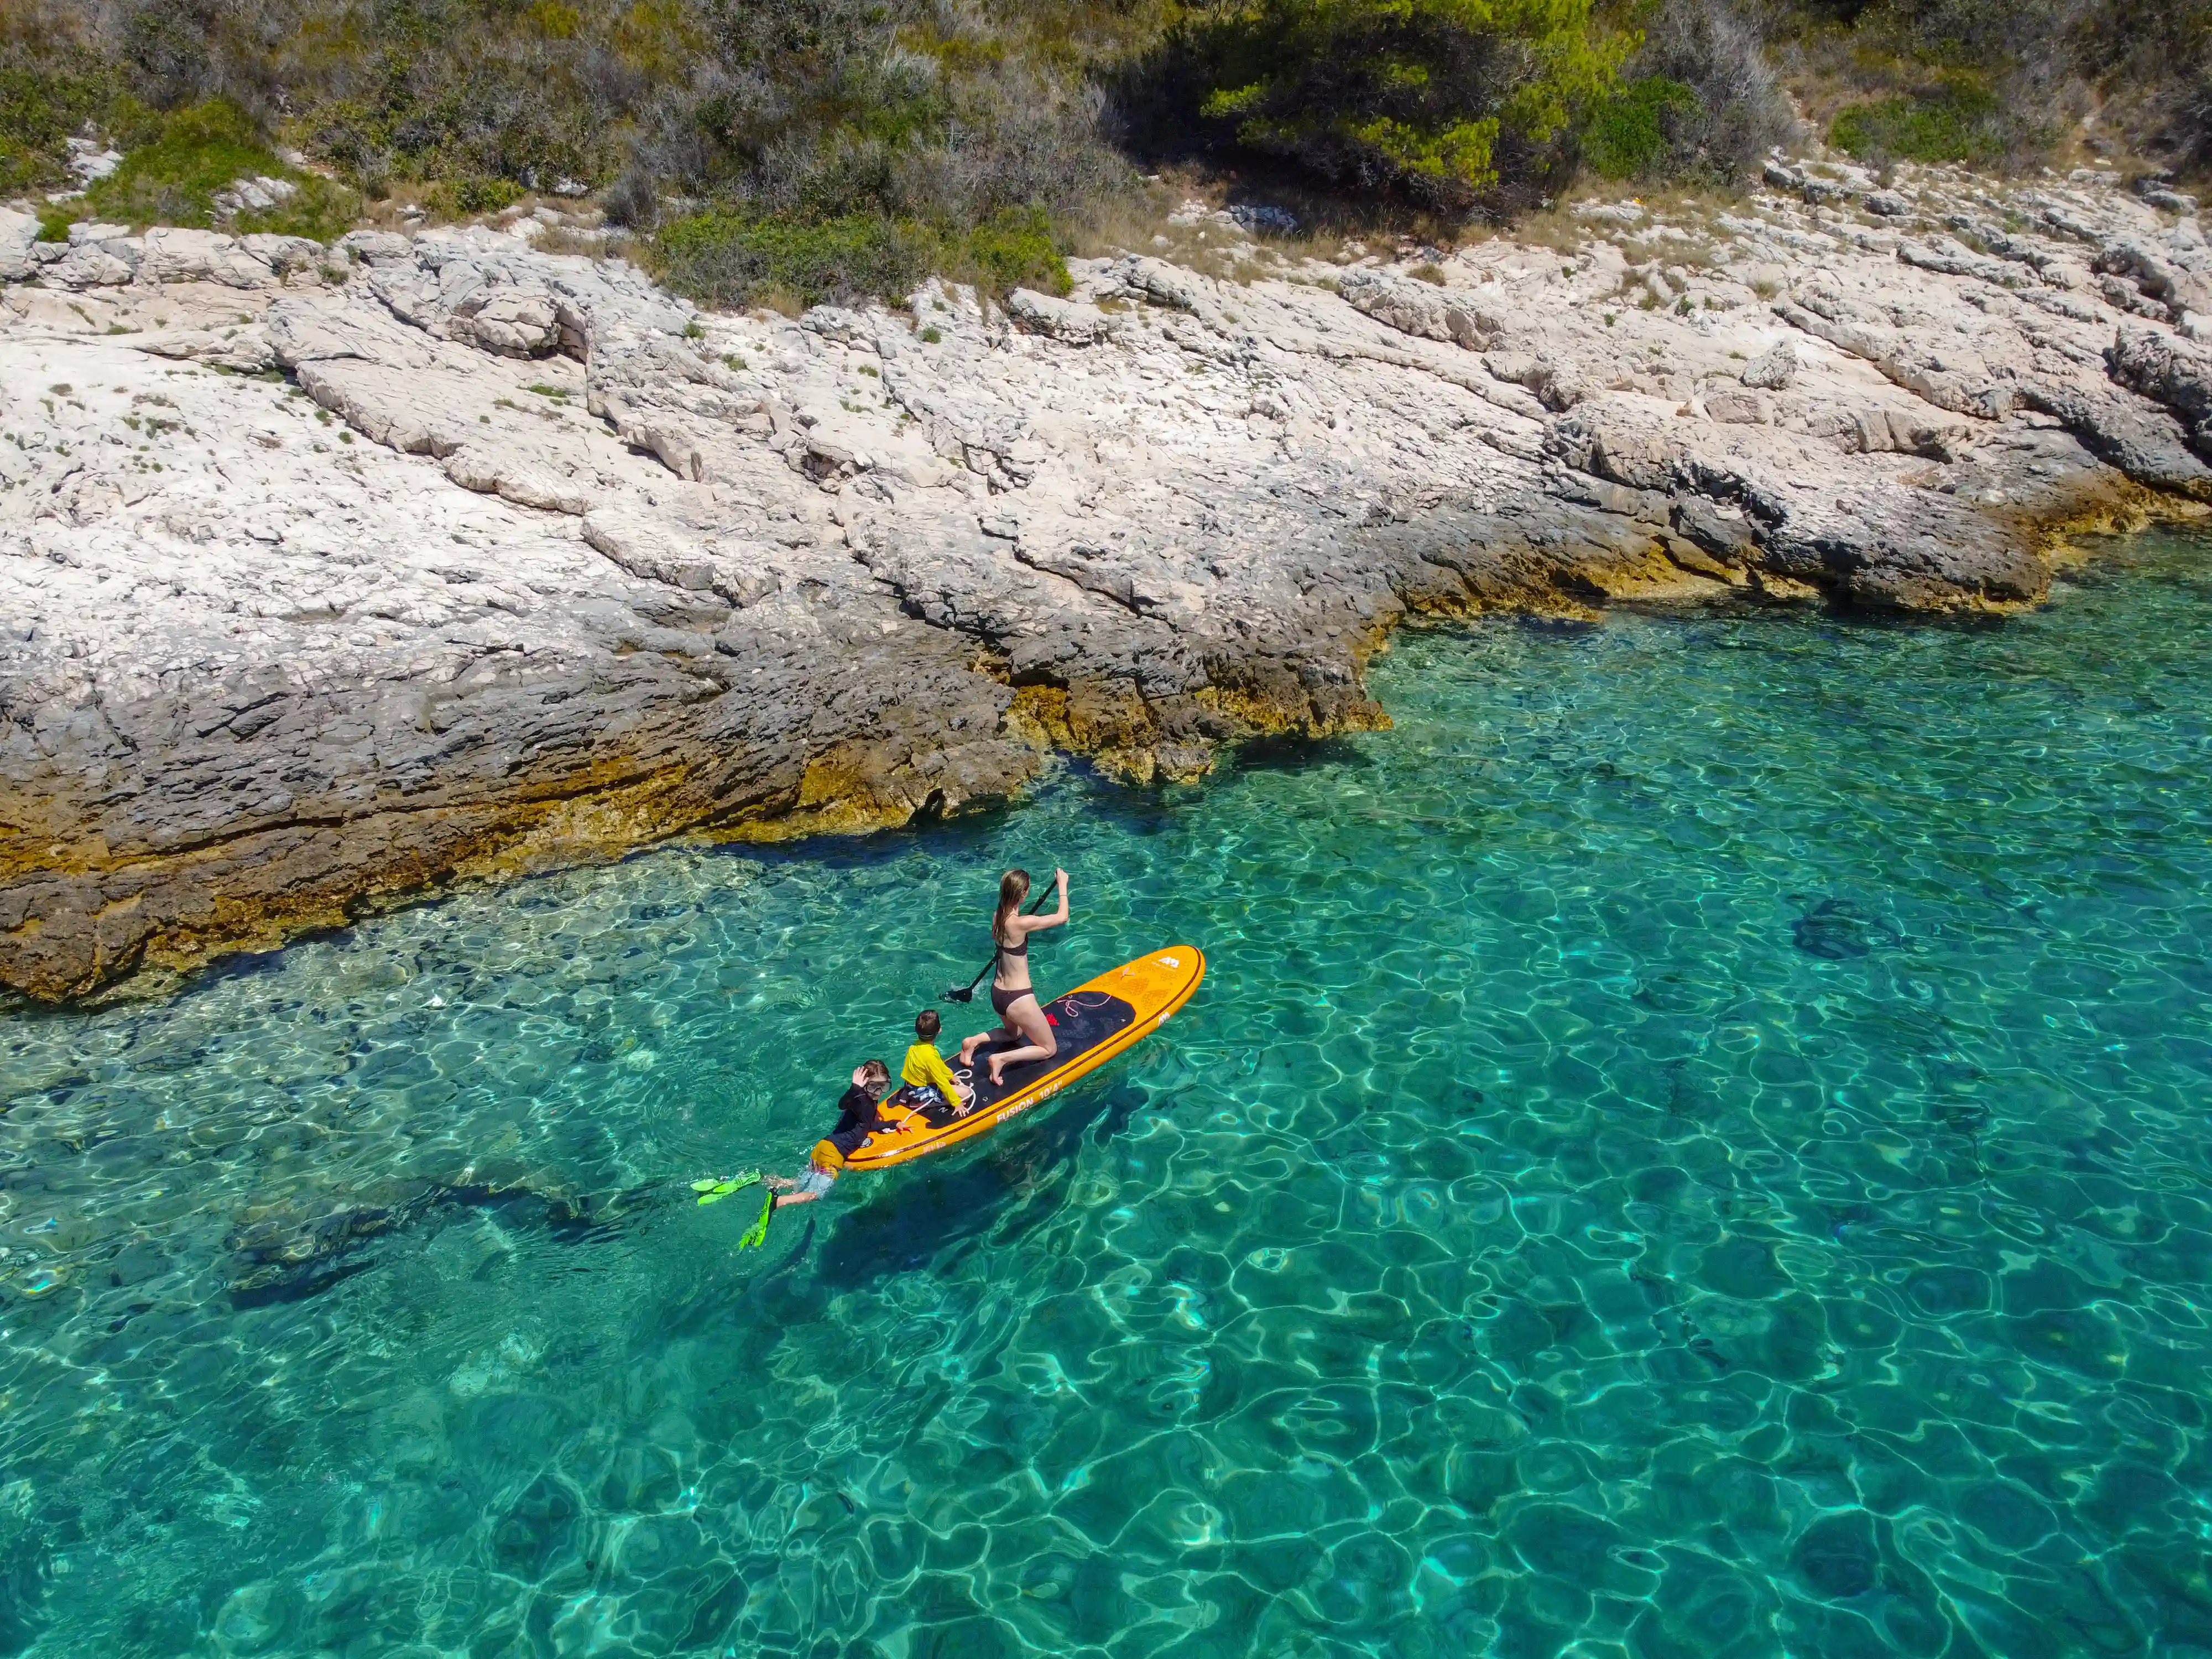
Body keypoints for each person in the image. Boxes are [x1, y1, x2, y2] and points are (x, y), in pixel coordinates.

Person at [958, 866, 1069, 1088]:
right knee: (1049, 1049)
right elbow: (1062, 917)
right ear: (1023, 894)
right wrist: (1063, 885)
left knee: (1013, 1034)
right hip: (1018, 999)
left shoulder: (998, 916)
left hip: (998, 993)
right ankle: (1000, 1059)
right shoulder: (1021, 923)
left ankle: (973, 1042)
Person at [766, 1060, 893, 1208]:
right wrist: (855, 1088)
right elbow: (843, 1104)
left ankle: (770, 1181)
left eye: (883, 1086)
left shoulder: (865, 1101)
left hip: (824, 1147)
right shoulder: (859, 1099)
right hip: (834, 1155)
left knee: (801, 1184)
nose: (879, 1092)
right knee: (817, 1194)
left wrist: (893, 1124)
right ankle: (778, 1202)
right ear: (864, 1084)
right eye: (873, 1087)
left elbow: (867, 1124)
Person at [894, 1009, 971, 1118]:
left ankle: (911, 1096)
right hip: (920, 1093)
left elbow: (938, 1066)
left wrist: (951, 1077)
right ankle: (922, 1103)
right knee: (966, 1094)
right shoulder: (930, 1056)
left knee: (949, 1072)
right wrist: (956, 1103)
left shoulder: (915, 1047)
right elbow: (942, 1082)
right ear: (939, 1030)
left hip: (911, 1086)